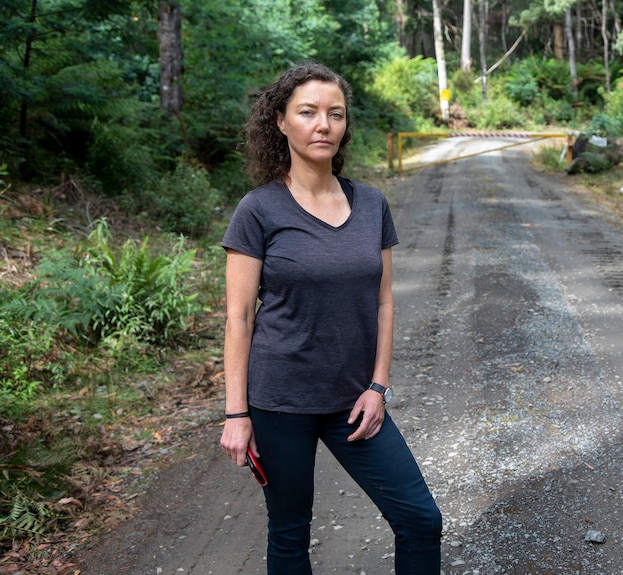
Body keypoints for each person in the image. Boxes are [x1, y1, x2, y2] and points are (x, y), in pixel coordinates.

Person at [219, 62, 443, 574]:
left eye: (335, 114)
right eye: (308, 112)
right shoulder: (258, 210)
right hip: (280, 402)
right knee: (291, 534)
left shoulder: (371, 204)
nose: (323, 124)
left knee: (420, 520)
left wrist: (378, 386)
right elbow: (239, 317)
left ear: (344, 126)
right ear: (280, 121)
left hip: (353, 400)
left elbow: (384, 301)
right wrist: (237, 414)